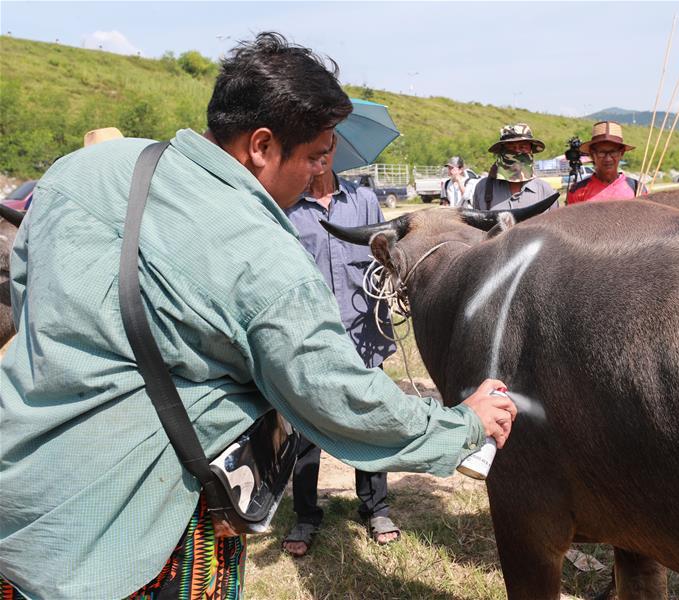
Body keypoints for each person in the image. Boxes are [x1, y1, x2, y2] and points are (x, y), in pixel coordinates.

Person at [0, 32, 516, 600]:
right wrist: (463, 424)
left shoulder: (81, 173)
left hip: (18, 501)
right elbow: (337, 397)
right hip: (132, 542)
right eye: (318, 157)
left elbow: (30, 301)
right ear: (262, 146)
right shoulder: (263, 254)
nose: (321, 172)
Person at [282, 141, 400, 557]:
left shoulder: (364, 199)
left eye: (326, 148)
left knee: (370, 420)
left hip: (364, 331)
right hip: (312, 336)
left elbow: (388, 256)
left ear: (335, 153)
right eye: (310, 149)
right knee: (307, 428)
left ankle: (376, 508)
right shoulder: (288, 210)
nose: (320, 157)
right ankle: (305, 515)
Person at [471, 123, 559, 211]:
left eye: (522, 147)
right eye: (511, 147)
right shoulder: (483, 188)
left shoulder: (545, 191)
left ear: (530, 150)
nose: (517, 152)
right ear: (501, 151)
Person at [566, 121, 647, 204]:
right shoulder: (577, 192)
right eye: (602, 152)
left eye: (613, 152)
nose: (608, 158)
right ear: (592, 154)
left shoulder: (637, 189)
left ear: (621, 153)